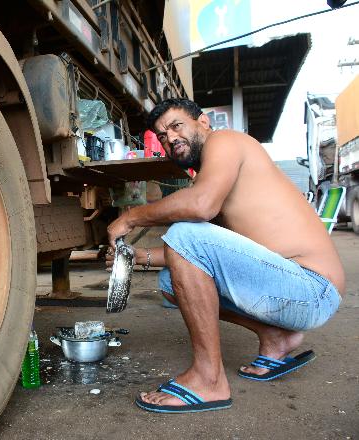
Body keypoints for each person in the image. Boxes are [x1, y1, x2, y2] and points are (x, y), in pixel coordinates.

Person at [106, 98, 345, 413]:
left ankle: (208, 380)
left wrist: (131, 216)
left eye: (177, 126)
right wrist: (137, 256)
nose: (170, 138)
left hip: (312, 288)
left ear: (203, 122)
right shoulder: (210, 176)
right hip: (291, 287)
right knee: (169, 281)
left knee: (184, 231)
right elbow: (194, 255)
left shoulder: (225, 141)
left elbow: (199, 208)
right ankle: (275, 337)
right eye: (162, 135)